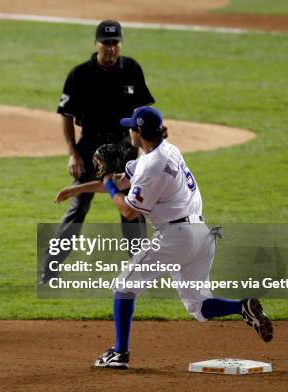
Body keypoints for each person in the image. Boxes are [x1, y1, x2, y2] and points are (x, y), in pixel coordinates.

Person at [54, 106, 274, 369]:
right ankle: (242, 308)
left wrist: (107, 181)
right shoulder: (167, 150)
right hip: (201, 236)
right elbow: (123, 180)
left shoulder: (152, 165)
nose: (129, 131)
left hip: (175, 237)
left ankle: (119, 353)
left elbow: (128, 210)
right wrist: (76, 189)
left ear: (138, 132)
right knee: (199, 307)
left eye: (131, 127)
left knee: (124, 286)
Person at [41, 19, 155, 283]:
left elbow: (143, 111)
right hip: (90, 146)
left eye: (115, 43)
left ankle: (139, 270)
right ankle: (49, 270)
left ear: (120, 44)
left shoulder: (132, 69)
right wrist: (73, 152)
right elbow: (66, 115)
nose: (111, 49)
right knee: (78, 208)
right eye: (106, 43)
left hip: (125, 147)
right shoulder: (80, 74)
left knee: (132, 207)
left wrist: (145, 149)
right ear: (96, 44)